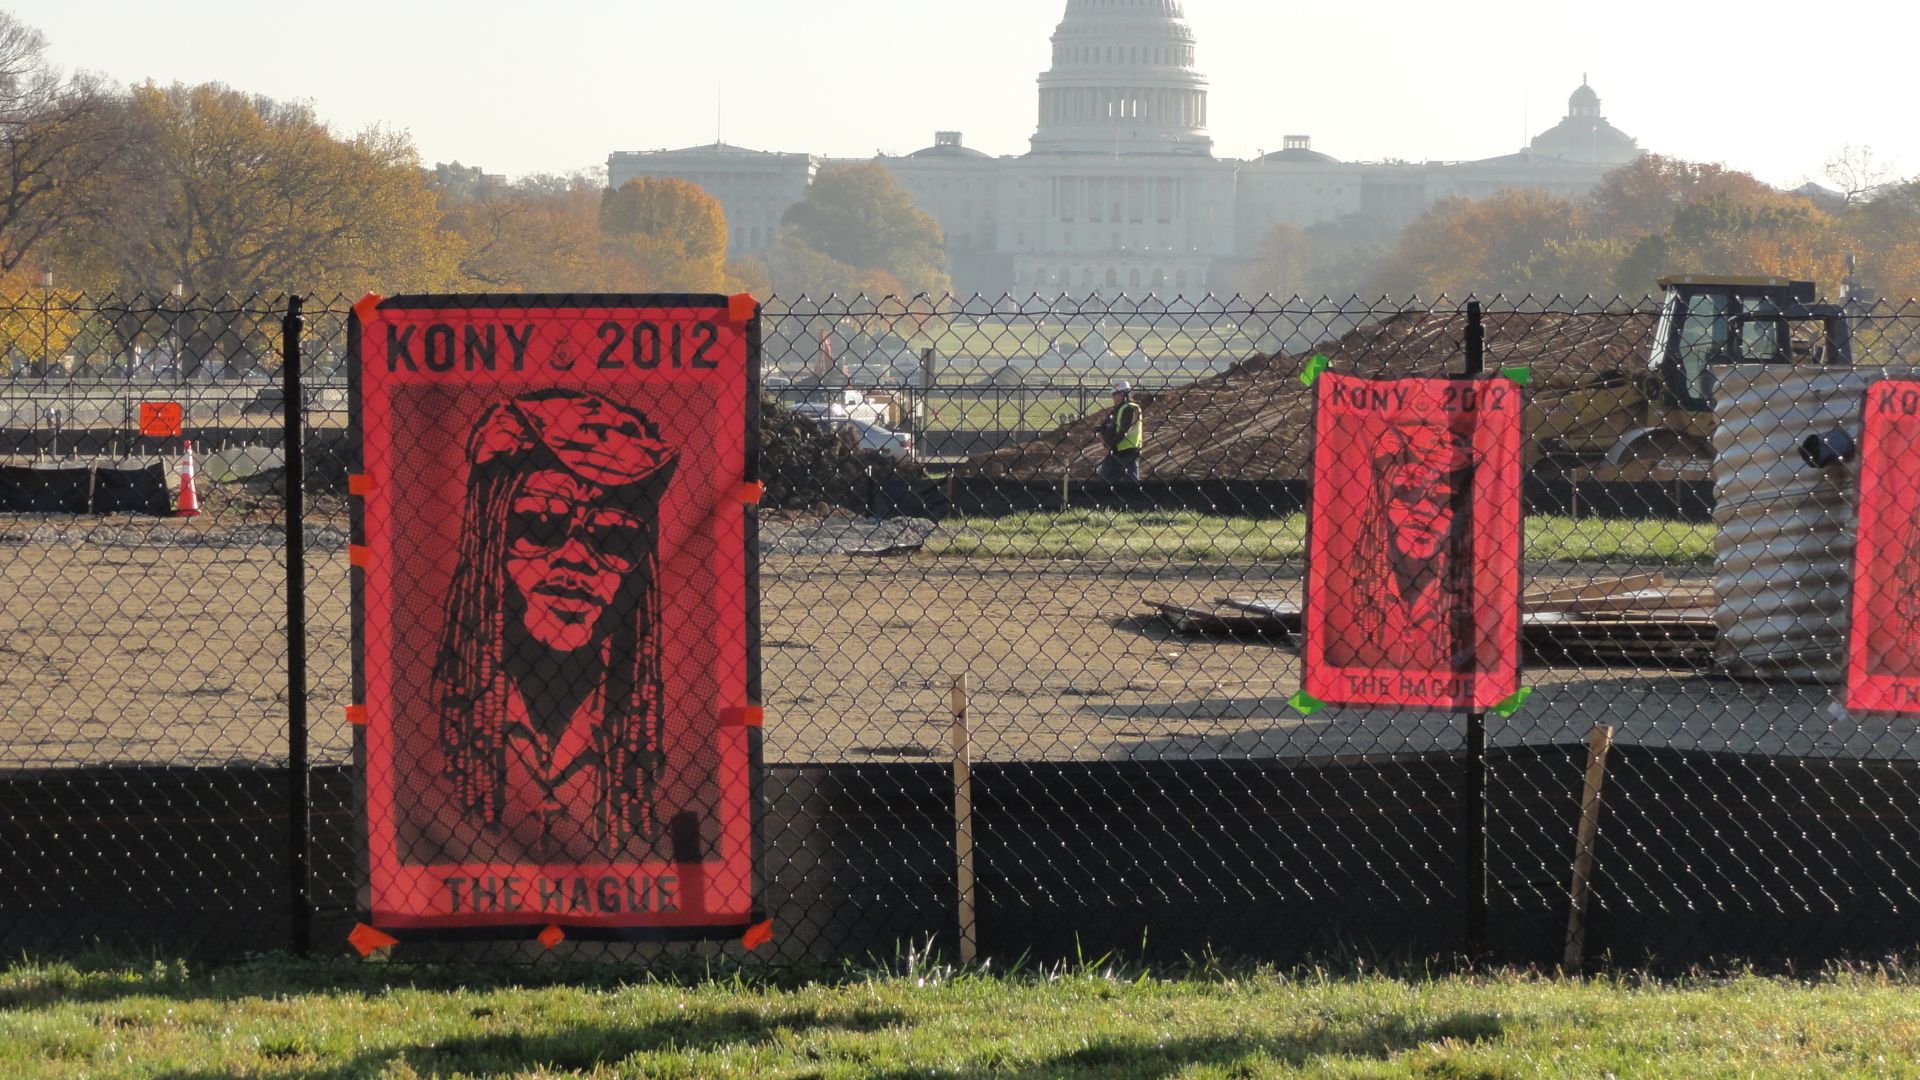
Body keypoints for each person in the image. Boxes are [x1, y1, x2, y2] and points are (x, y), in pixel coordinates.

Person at [429, 389, 679, 860]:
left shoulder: (627, 726)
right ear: (493, 537)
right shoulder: (450, 715)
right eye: (543, 521)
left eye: (614, 536)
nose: (576, 559)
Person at [1328, 419, 1477, 672]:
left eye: (1440, 497)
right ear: (1383, 502)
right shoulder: (1352, 591)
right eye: (1407, 494)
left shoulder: (1462, 598)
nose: (1422, 513)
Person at [1098, 381, 1144, 482]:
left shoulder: (1130, 408)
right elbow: (1110, 427)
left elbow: (1124, 431)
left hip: (1128, 451)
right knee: (1105, 482)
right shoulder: (1118, 409)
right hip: (1115, 451)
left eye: (1115, 394)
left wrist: (1109, 447)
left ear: (1123, 393)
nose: (1113, 397)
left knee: (1130, 483)